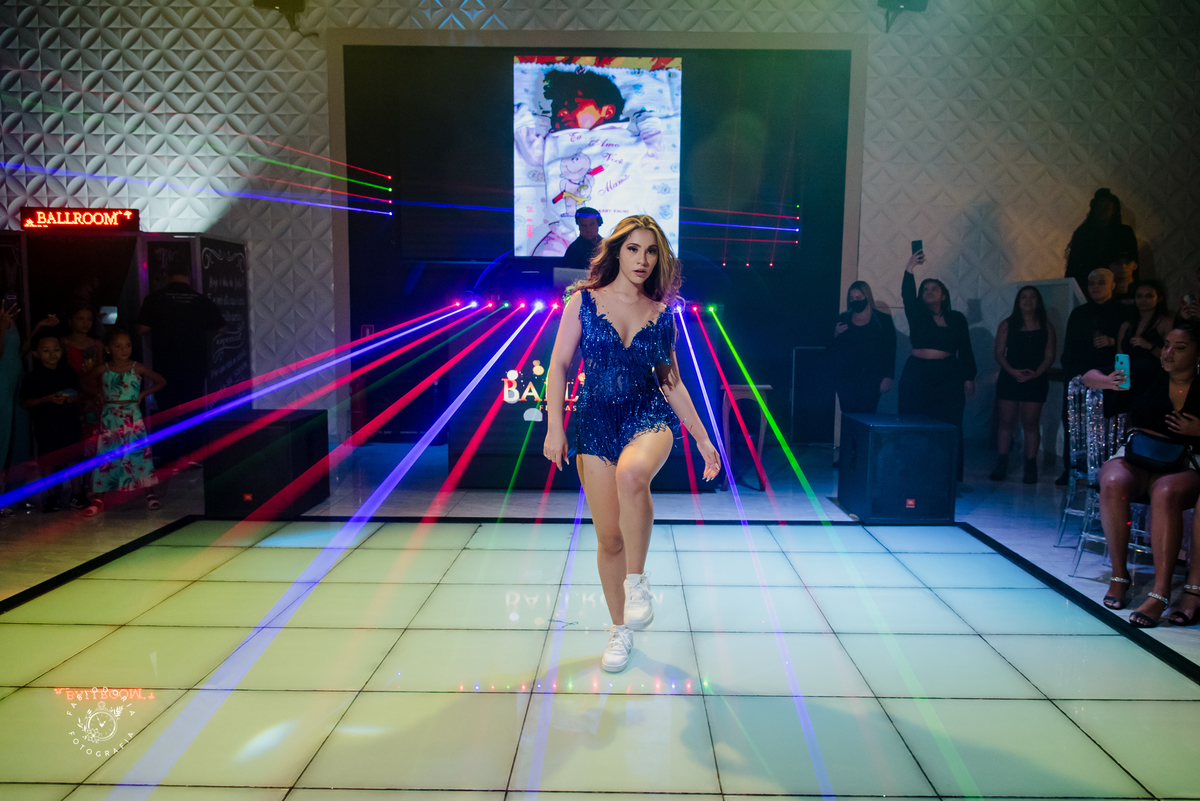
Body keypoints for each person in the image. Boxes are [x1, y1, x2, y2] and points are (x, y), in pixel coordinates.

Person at [543, 214, 719, 673]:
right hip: (594, 421)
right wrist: (554, 427)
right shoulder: (582, 302)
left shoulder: (662, 313)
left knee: (633, 474)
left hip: (648, 415)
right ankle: (619, 629)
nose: (643, 260)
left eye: (652, 251)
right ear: (616, 250)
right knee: (609, 539)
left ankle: (637, 583)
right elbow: (559, 366)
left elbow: (671, 381)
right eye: (634, 249)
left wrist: (702, 438)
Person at [1086, 322, 1200, 628]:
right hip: (1137, 455)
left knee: (1165, 493)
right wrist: (1108, 382)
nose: (1168, 353)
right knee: (1111, 481)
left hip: (1183, 461)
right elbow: (1088, 375)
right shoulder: (1148, 371)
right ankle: (1120, 574)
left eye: (1180, 348)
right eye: (1166, 345)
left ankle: (1160, 592)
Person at [898, 249, 976, 481]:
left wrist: (969, 377)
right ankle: (911, 473)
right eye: (926, 289)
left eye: (935, 289)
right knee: (913, 422)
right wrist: (909, 268)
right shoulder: (917, 314)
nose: (929, 292)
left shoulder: (957, 318)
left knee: (949, 423)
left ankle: (948, 477)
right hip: (917, 372)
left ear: (944, 295)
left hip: (948, 375)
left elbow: (965, 348)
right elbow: (906, 295)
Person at [136, 267, 224, 469]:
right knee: (194, 409)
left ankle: (168, 459)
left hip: (165, 366)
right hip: (195, 365)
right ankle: (194, 455)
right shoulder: (200, 300)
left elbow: (141, 328)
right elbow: (222, 327)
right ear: (188, 276)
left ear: (167, 276)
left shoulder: (155, 299)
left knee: (166, 411)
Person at [83, 329, 166, 514]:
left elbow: (161, 381)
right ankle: (99, 497)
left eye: (127, 345)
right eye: (118, 346)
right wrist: (98, 394)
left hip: (132, 416)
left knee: (139, 454)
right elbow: (83, 382)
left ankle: (150, 493)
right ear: (108, 349)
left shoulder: (137, 367)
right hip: (110, 416)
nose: (123, 349)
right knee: (106, 455)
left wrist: (142, 394)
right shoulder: (103, 369)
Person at [1059, 267, 1128, 483]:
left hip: (1109, 377)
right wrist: (1070, 377)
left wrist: (1111, 342)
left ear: (1112, 285)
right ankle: (1071, 470)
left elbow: (1126, 350)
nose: (1095, 287)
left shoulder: (1123, 313)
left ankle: (1106, 472)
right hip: (1078, 377)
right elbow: (1068, 348)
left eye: (1101, 283)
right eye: (1091, 283)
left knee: (1107, 427)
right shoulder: (1079, 313)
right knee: (1074, 424)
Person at [991, 286, 1056, 483]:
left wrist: (1037, 373)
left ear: (1038, 301)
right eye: (1024, 297)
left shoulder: (1046, 325)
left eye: (1033, 297)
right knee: (1006, 422)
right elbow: (999, 353)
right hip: (1010, 377)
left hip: (1035, 379)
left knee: (1030, 423)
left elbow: (1050, 355)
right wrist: (1012, 371)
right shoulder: (1007, 324)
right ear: (1018, 301)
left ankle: (1031, 465)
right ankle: (1002, 463)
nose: (1028, 300)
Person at [19, 334, 85, 512]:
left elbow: (78, 392)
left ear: (61, 350)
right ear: (36, 353)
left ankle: (76, 493)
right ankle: (52, 496)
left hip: (69, 422)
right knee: (47, 461)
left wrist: (73, 397)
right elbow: (25, 402)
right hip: (46, 424)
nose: (52, 354)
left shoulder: (69, 371)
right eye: (46, 351)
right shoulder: (33, 377)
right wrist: (46, 399)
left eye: (56, 350)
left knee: (73, 458)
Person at [832, 280, 896, 414]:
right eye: (852, 298)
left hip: (872, 378)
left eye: (859, 298)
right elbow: (834, 348)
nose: (855, 301)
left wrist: (887, 376)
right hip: (846, 378)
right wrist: (835, 334)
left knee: (868, 414)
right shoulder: (844, 318)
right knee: (849, 415)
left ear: (867, 297)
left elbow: (889, 349)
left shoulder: (882, 320)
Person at [1064, 188, 1138, 294]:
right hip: (1087, 286)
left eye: (1107, 208)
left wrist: (1131, 288)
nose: (1103, 211)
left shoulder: (1125, 233)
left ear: (1114, 210)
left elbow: (1132, 264)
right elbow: (1073, 265)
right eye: (1099, 208)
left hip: (1116, 287)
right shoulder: (1083, 233)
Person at [1117, 280, 1171, 379]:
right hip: (1129, 376)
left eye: (1149, 296)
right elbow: (1120, 356)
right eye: (1139, 296)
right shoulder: (1126, 325)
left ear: (1159, 298)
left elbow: (1171, 357)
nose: (1143, 300)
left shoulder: (1165, 323)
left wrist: (1149, 346)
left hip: (1154, 377)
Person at [561, 207, 604, 272]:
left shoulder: (607, 246)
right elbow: (566, 274)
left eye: (591, 225)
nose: (588, 229)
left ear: (598, 224)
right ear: (579, 226)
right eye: (584, 226)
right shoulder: (573, 249)